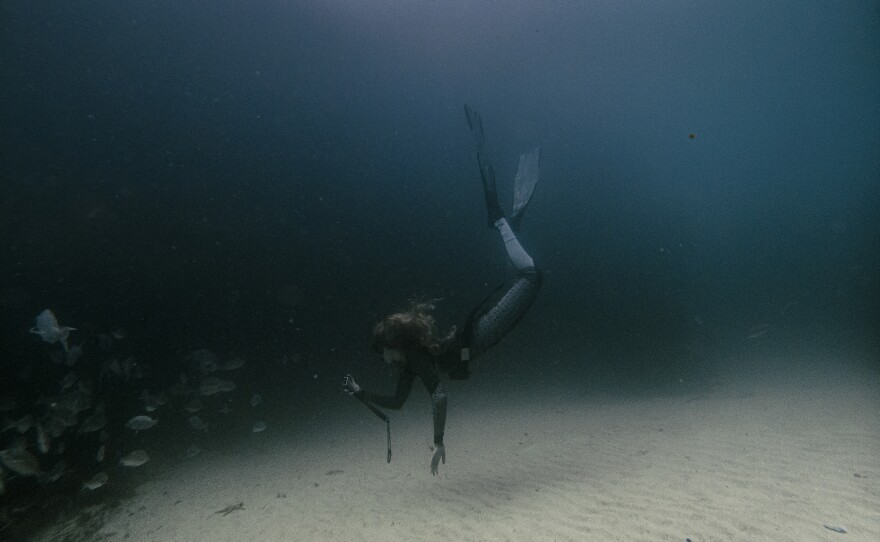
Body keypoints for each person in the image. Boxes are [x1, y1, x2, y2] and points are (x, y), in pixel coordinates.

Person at [343, 105, 543, 475]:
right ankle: (508, 222)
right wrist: (361, 395)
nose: (385, 360)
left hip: (481, 334)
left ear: (397, 346)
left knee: (532, 277)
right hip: (478, 336)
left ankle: (501, 219)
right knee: (527, 275)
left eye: (384, 353)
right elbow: (398, 404)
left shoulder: (415, 359)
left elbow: (438, 394)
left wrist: (439, 440)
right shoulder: (410, 364)